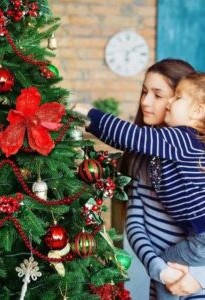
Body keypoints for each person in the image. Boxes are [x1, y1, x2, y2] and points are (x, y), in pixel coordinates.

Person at [74, 59, 205, 299]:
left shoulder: (182, 141)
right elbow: (135, 222)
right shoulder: (146, 155)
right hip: (164, 279)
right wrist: (159, 270)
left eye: (159, 95)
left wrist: (199, 278)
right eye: (144, 92)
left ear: (193, 108)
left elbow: (126, 134)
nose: (145, 102)